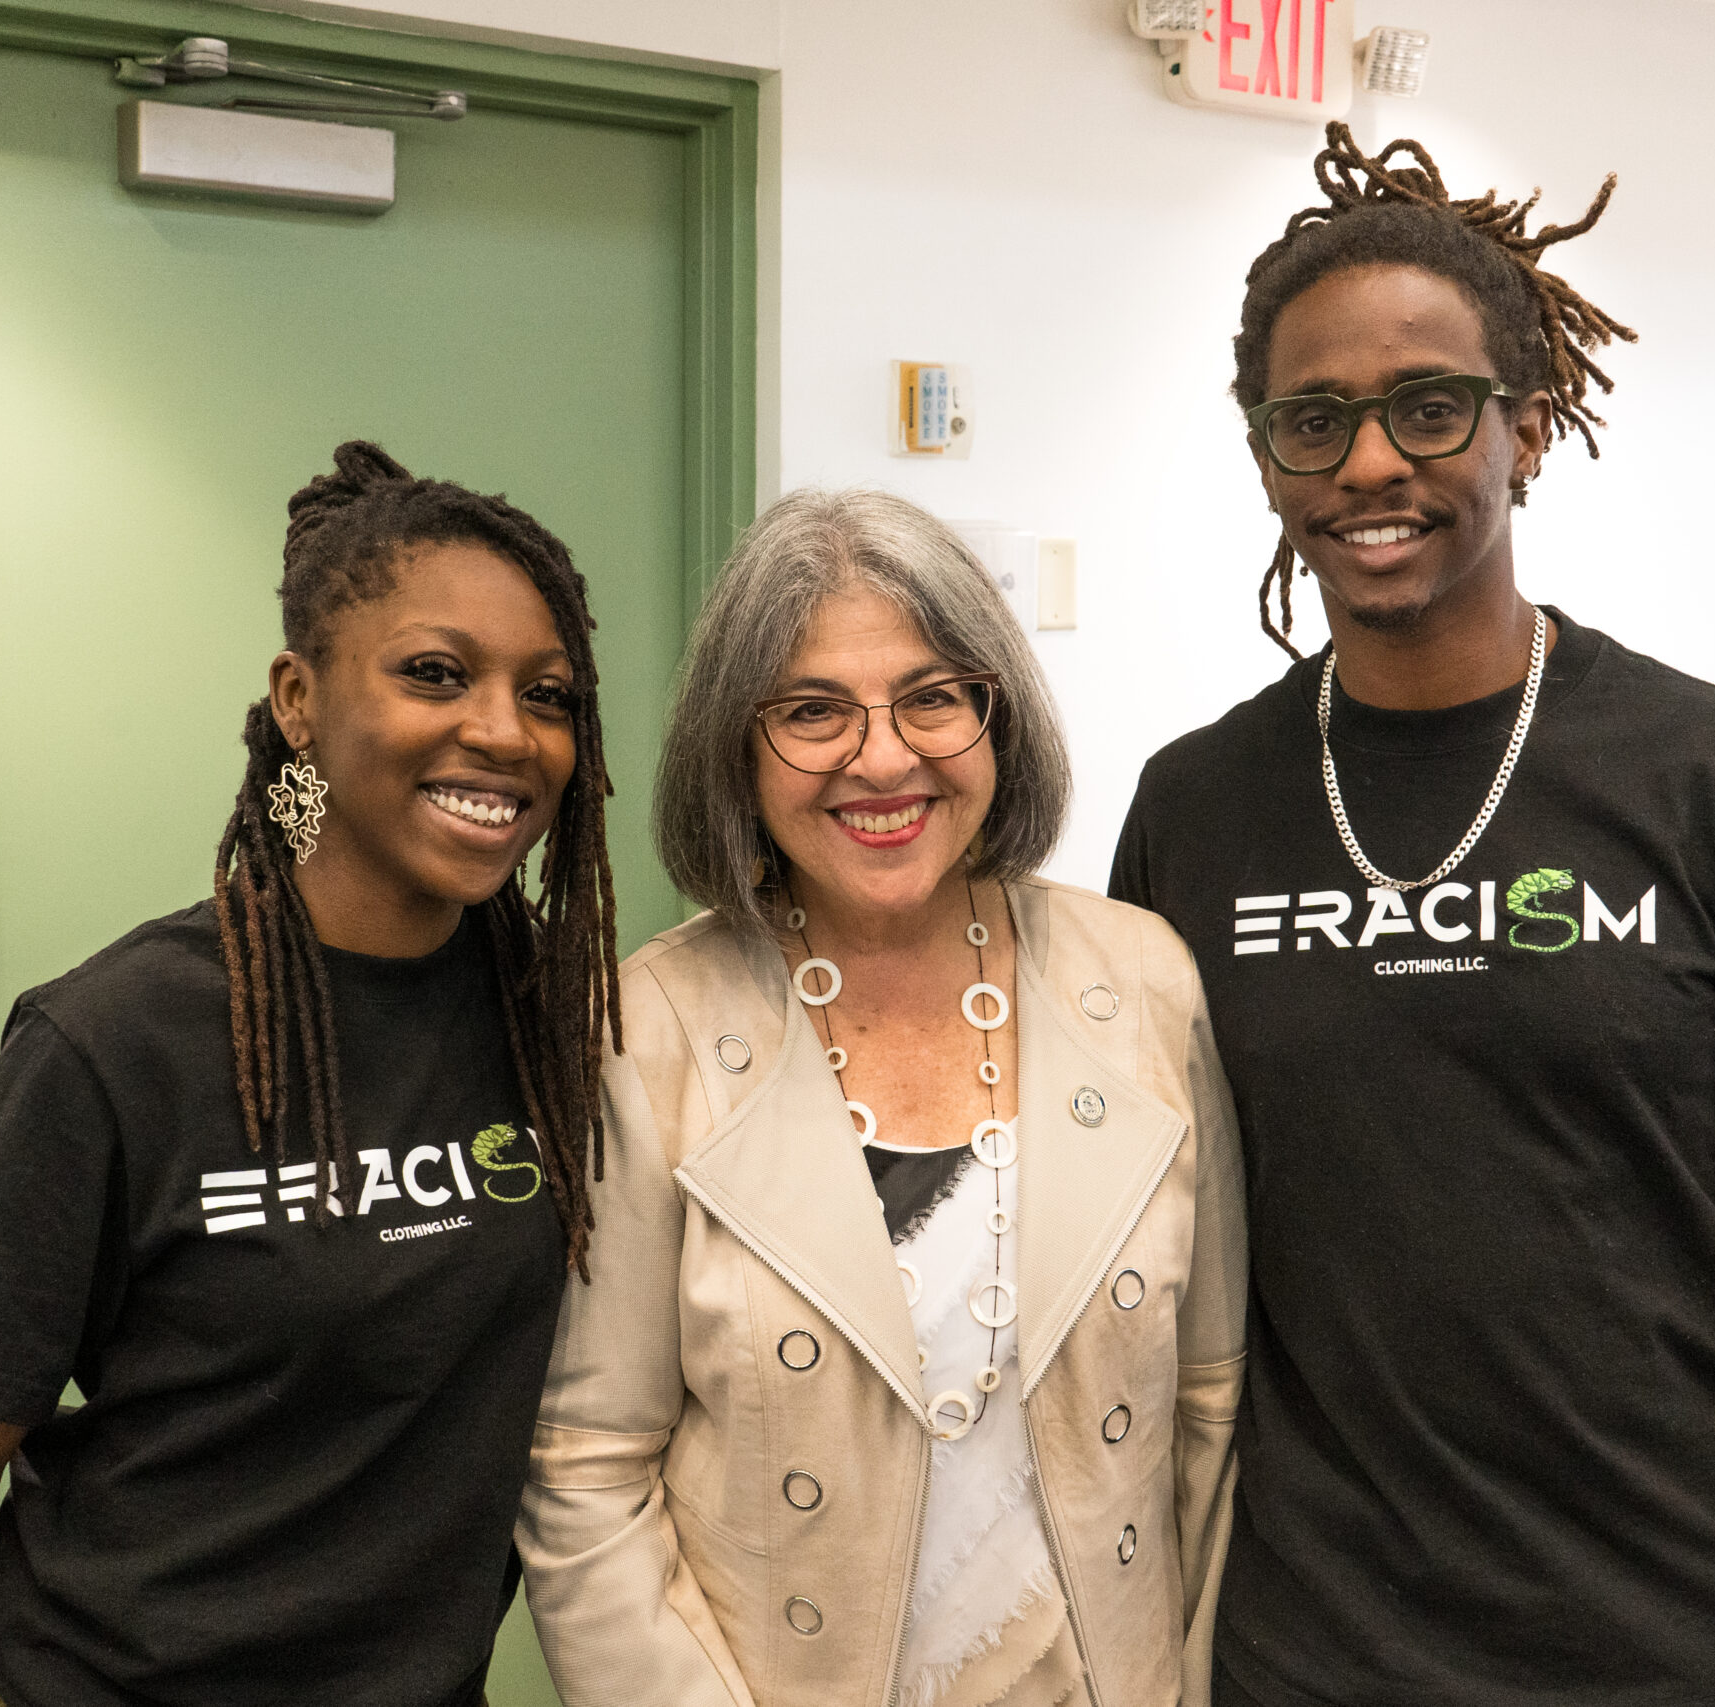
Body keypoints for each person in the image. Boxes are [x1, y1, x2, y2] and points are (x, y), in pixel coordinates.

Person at [1109, 126, 1715, 1707]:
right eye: (1314, 421)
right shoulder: (1195, 806)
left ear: (1530, 426)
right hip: (1308, 1648)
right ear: (1267, 457)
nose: (1371, 463)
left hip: (1670, 1632)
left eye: (1430, 406)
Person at [0, 442, 620, 1707]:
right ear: (298, 700)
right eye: (435, 673)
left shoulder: (561, 1023)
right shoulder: (115, 1041)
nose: (504, 731)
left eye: (548, 695)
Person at [517, 488, 1247, 1707]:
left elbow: (1213, 1415)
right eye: (811, 711)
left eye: (932, 697)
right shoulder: (650, 1029)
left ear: (996, 715)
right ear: (736, 750)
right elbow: (588, 1469)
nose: (884, 757)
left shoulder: (1141, 982)